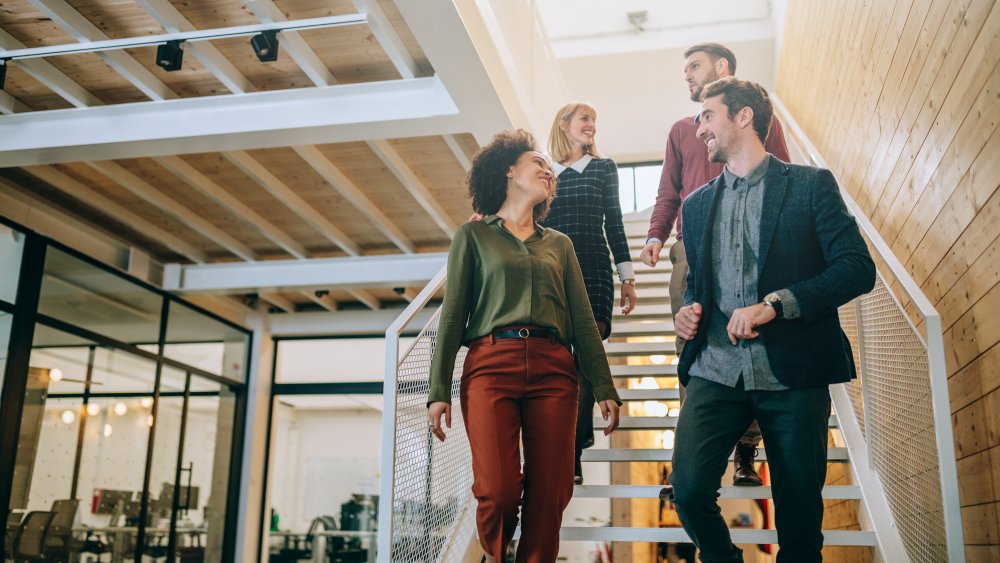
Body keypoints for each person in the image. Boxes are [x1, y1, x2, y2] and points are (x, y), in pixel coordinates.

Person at [668, 77, 875, 562]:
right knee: (690, 489)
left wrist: (777, 303)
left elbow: (857, 268)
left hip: (795, 372)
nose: (699, 128)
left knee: (800, 520)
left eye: (708, 115)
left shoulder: (810, 186)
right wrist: (689, 310)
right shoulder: (695, 207)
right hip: (715, 369)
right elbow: (700, 282)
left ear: (743, 117)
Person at [427, 129, 622, 563]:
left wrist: (605, 386)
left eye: (550, 168)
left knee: (551, 493)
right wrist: (437, 389)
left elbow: (584, 322)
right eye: (539, 163)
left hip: (556, 371)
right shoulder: (473, 237)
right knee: (497, 491)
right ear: (510, 170)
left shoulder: (560, 245)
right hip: (490, 367)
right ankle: (497, 556)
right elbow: (454, 315)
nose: (548, 170)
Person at [641, 42, 790, 486]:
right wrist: (655, 233)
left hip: (754, 248)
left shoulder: (761, 121)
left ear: (721, 67)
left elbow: (782, 174)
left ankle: (746, 452)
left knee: (752, 344)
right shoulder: (680, 131)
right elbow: (669, 190)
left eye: (694, 66)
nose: (686, 75)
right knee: (692, 348)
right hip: (692, 250)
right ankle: (686, 457)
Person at [544, 102, 637, 485]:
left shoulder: (603, 168)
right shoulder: (545, 173)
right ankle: (570, 442)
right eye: (585, 119)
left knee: (584, 362)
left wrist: (627, 277)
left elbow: (614, 221)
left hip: (595, 270)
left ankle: (572, 453)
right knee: (561, 365)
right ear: (564, 124)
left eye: (595, 121)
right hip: (553, 273)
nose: (592, 126)